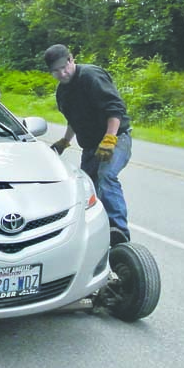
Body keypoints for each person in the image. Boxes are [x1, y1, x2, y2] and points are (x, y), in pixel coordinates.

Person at [44, 44, 132, 245]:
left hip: (117, 138)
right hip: (91, 146)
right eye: (56, 71)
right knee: (87, 186)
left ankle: (119, 233)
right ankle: (95, 230)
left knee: (106, 175)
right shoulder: (62, 92)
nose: (62, 73)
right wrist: (65, 141)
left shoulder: (91, 76)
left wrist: (110, 139)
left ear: (71, 59)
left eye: (64, 67)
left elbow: (115, 109)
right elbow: (74, 120)